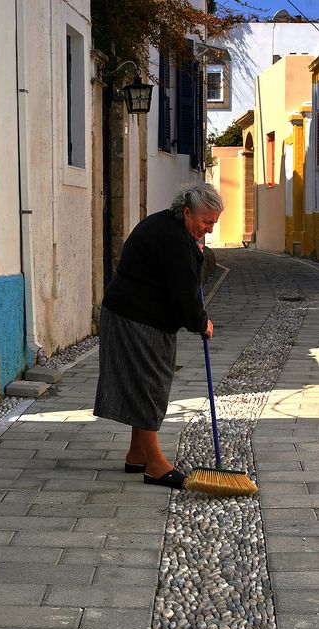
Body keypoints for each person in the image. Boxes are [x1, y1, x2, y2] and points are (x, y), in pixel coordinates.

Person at [93, 183, 223, 489]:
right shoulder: (174, 239)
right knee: (148, 385)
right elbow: (185, 293)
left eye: (214, 223)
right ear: (188, 211)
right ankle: (155, 465)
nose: (209, 229)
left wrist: (197, 251)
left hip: (134, 314)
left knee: (147, 381)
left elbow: (186, 278)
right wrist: (201, 322)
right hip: (136, 318)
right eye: (206, 221)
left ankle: (137, 452)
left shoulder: (171, 227)